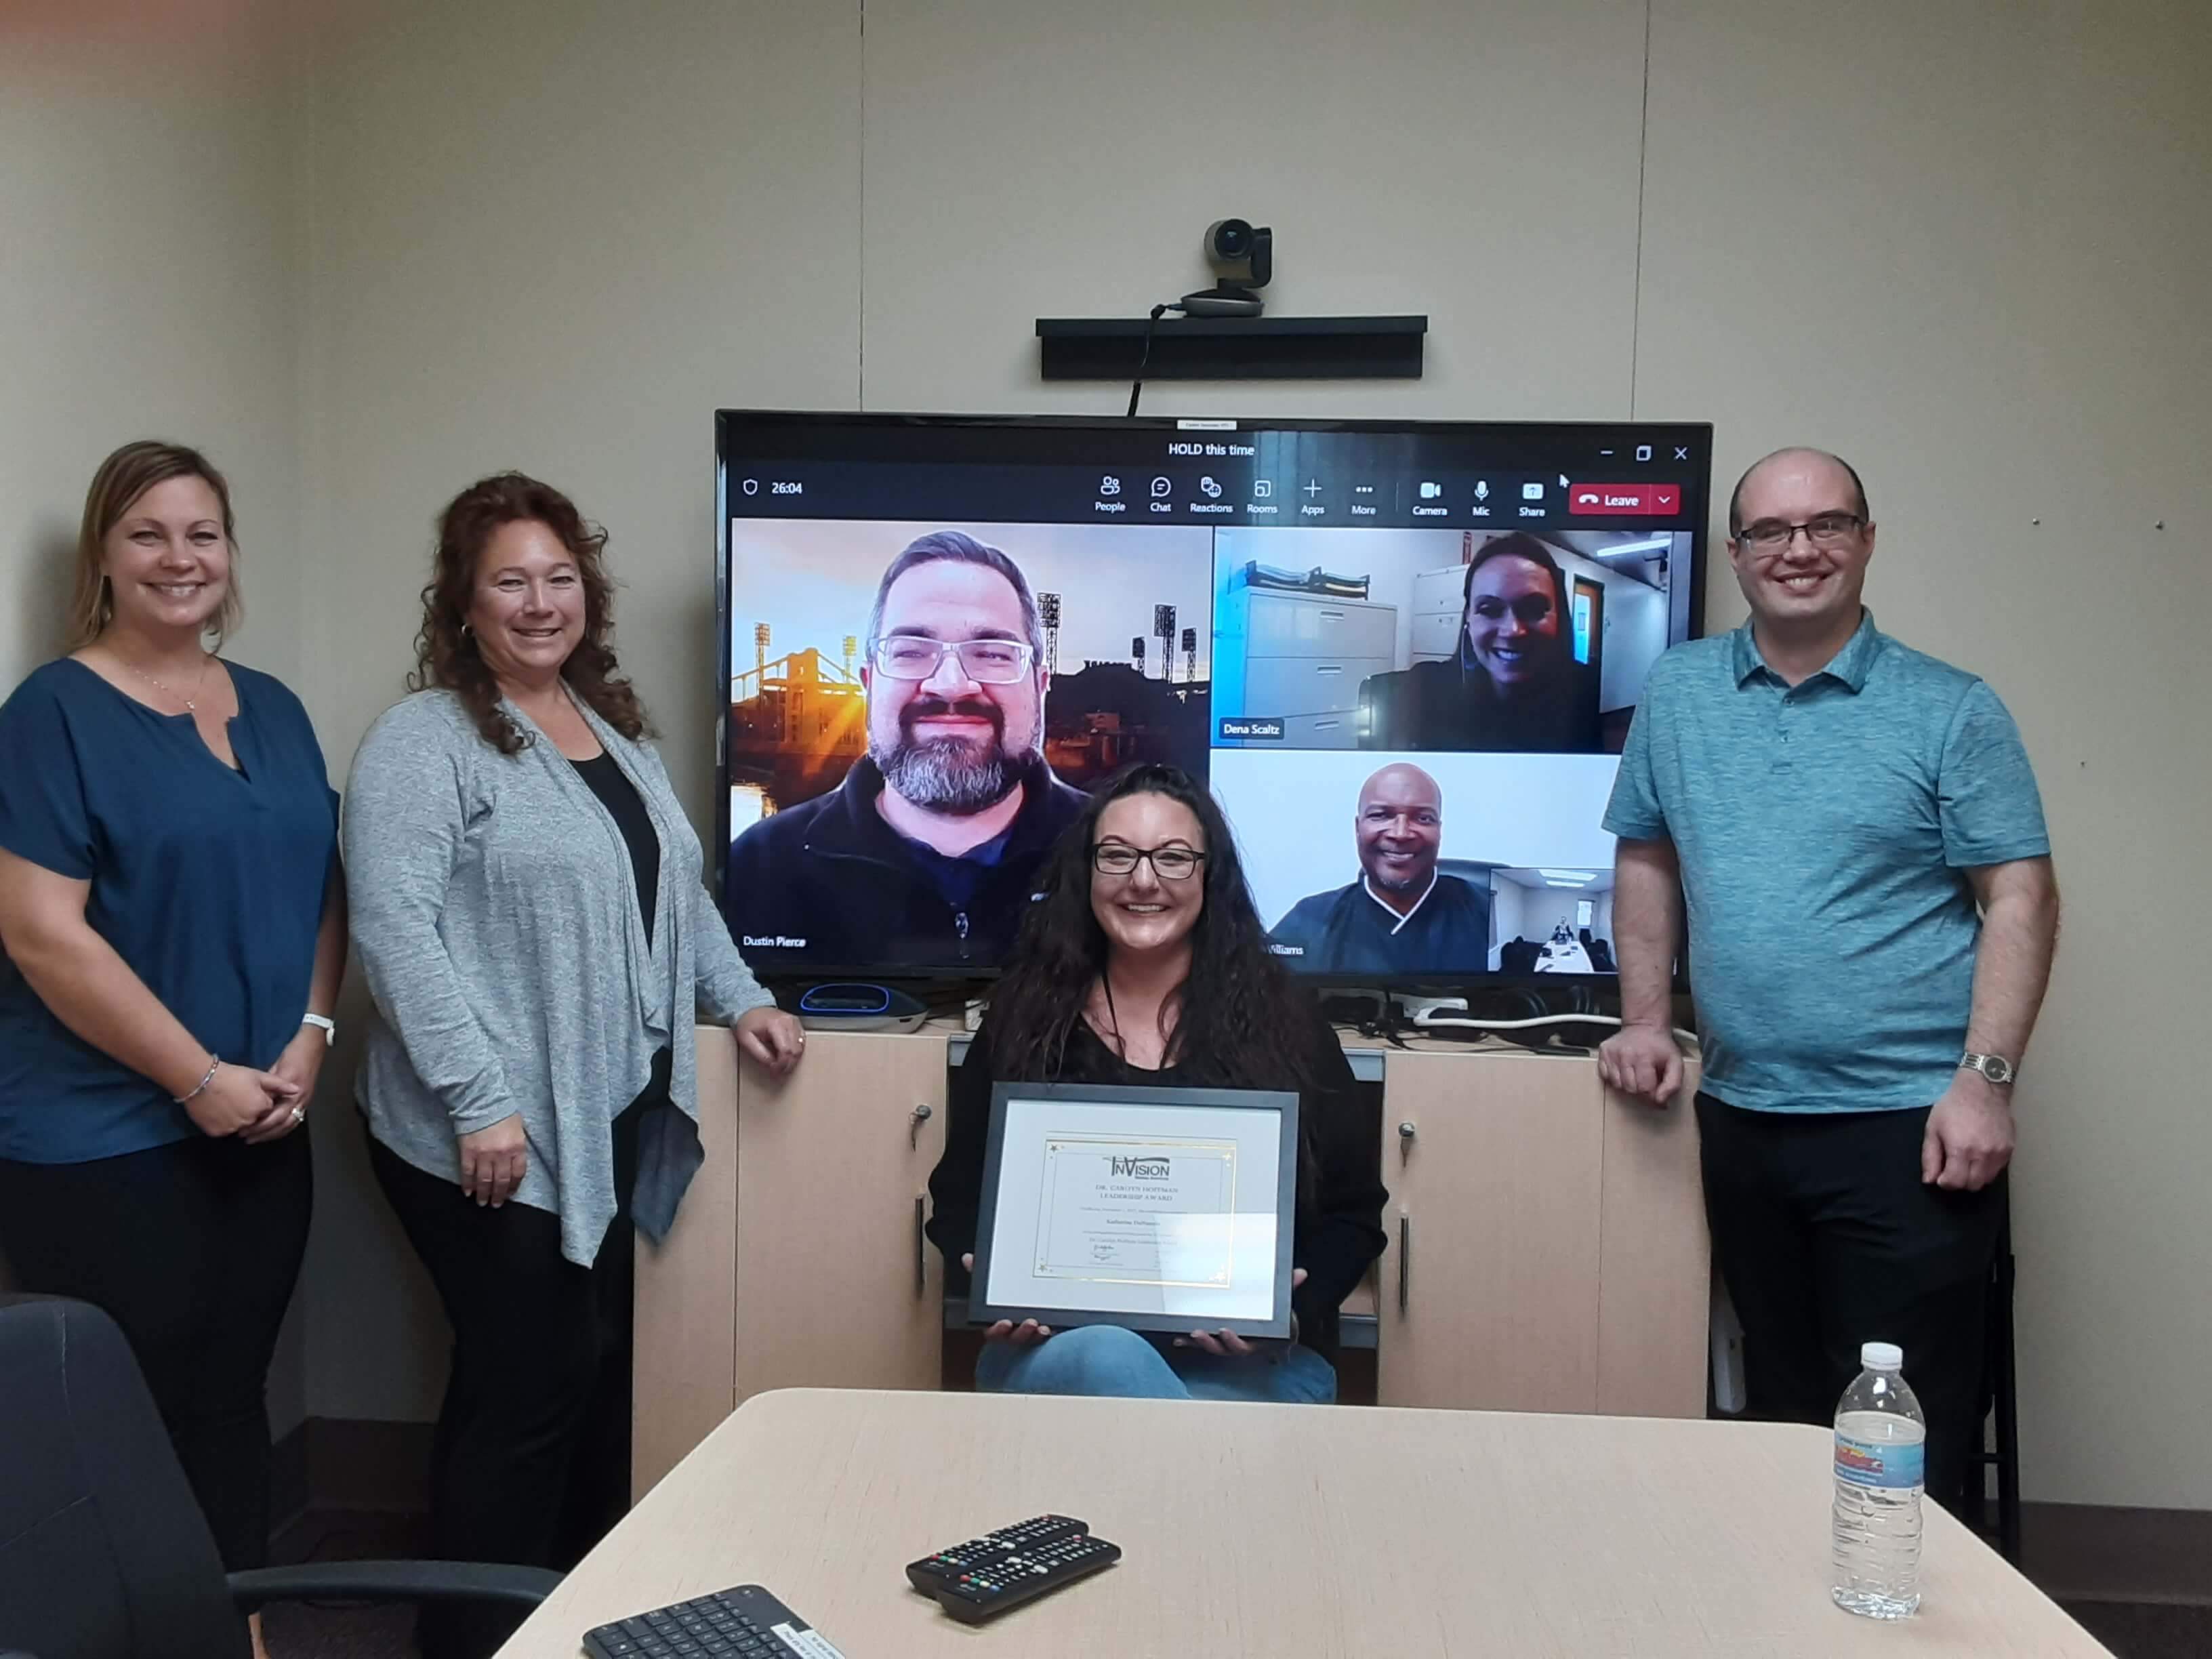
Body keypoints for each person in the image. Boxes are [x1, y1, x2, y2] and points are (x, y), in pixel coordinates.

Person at [344, 473, 805, 1659]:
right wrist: (480, 1100)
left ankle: (575, 1628)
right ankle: (470, 1643)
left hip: (604, 1115)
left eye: (559, 577)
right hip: (479, 1132)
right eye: (510, 579)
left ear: (585, 595)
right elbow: (393, 931)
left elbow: (676, 901)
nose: (539, 601)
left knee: (592, 1383)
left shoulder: (614, 734)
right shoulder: (424, 739)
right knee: (528, 1392)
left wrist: (742, 997)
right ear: (462, 603)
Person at [1597, 447, 2060, 1514]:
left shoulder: (1952, 709)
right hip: (1743, 1120)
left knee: (1903, 1430)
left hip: (1908, 1132)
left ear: (1867, 540)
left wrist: (1986, 1081)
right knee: (1783, 1413)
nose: (1798, 550)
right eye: (1770, 530)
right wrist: (1646, 1022)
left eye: (1826, 525)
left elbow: (2021, 898)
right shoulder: (1679, 692)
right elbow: (1647, 856)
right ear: (1736, 553)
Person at [0, 441, 344, 1657]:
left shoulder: (277, 707)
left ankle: (231, 1635)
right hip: (104, 1139)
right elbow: (42, 934)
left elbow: (320, 890)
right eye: (148, 533)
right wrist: (195, 1078)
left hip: (264, 1120)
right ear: (104, 553)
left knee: (225, 1404)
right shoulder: (52, 712)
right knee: (119, 1427)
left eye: (202, 532)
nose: (179, 557)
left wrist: (311, 1035)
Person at [926, 763, 1387, 1401]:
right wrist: (986, 1269)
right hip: (1059, 1353)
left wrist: (1288, 1309)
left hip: (1251, 1366)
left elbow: (1354, 1215)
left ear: (1209, 874)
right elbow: (957, 1199)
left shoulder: (1289, 1027)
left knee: (1172, 1411)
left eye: (1173, 858)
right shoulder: (1024, 1021)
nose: (1143, 881)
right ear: (1086, 872)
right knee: (1107, 1353)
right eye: (1117, 856)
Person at [724, 530, 1088, 968]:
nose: (951, 684)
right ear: (869, 683)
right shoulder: (760, 863)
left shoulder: (1118, 851)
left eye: (992, 653)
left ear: (1041, 686)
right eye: (911, 651)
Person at [1361, 533, 1601, 752]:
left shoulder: (1581, 691)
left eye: (1534, 609)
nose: (1513, 630)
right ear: (1468, 618)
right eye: (1490, 609)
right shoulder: (1413, 697)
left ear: (1560, 616)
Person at [1267, 762, 1491, 975]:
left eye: (1423, 818)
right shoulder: (1309, 921)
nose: (1400, 833)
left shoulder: (1493, 915)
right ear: (1358, 828)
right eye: (1380, 815)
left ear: (1439, 830)